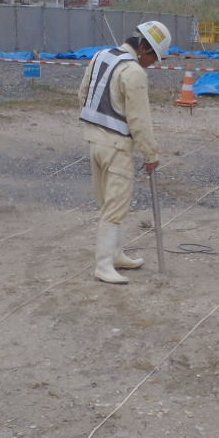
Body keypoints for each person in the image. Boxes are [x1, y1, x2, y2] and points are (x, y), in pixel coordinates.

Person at [77, 20, 172, 284]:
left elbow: (82, 94)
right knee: (116, 204)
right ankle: (103, 265)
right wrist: (151, 154)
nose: (153, 63)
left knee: (107, 201)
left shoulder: (101, 56)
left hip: (94, 141)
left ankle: (115, 254)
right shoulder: (133, 72)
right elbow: (139, 120)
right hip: (117, 147)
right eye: (154, 57)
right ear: (144, 48)